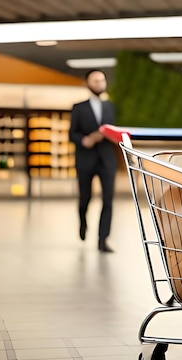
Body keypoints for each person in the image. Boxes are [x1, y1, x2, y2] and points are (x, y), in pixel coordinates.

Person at [69, 69, 117, 252]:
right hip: (85, 159)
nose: (99, 84)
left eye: (102, 80)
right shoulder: (79, 108)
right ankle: (82, 222)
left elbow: (114, 131)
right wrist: (85, 140)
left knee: (108, 201)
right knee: (85, 198)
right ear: (88, 84)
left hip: (107, 160)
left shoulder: (110, 107)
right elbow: (71, 134)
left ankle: (103, 240)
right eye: (95, 81)